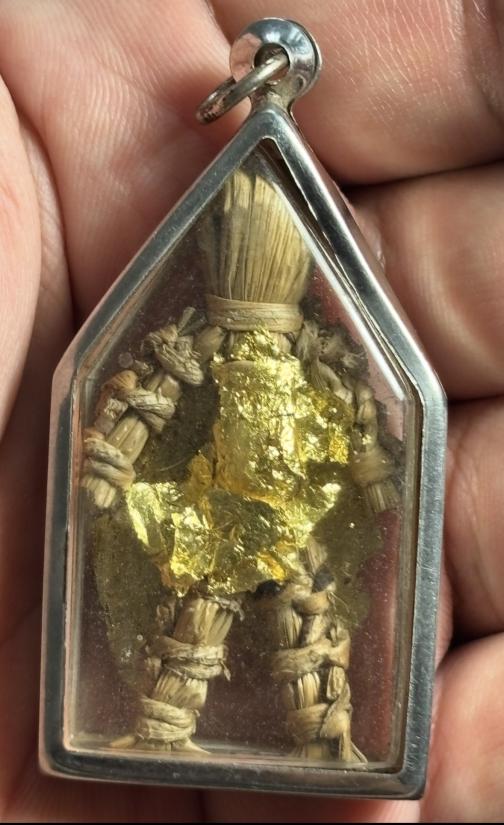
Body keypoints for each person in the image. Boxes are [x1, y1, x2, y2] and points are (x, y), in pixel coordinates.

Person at [0, 1, 503, 821]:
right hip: (213, 508)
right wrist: (108, 463)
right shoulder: (199, 342)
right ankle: (164, 729)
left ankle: (325, 741)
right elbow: (152, 393)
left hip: (292, 509)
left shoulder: (305, 346)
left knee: (306, 625)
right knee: (197, 625)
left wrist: (377, 474)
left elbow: (355, 403)